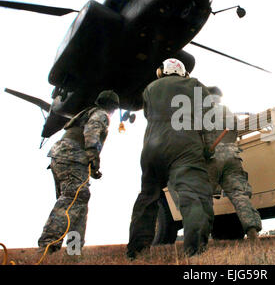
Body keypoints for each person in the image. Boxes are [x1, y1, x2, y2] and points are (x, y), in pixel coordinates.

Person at [127, 58, 214, 259]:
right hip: (184, 147)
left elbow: (148, 115)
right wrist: (208, 148)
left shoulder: (150, 88)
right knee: (193, 195)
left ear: (162, 72)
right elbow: (210, 120)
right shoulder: (196, 85)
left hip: (151, 149)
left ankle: (136, 252)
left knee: (147, 198)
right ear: (183, 72)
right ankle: (195, 251)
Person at [38, 90, 120, 253]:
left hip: (63, 156)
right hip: (72, 156)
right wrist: (93, 156)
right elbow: (92, 131)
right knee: (72, 199)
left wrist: (91, 165)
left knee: (79, 202)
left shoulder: (89, 111)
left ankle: (74, 250)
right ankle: (47, 246)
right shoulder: (100, 114)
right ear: (112, 108)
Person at [205, 86, 262, 240]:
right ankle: (252, 231)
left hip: (212, 158)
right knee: (239, 194)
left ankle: (200, 237)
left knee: (203, 197)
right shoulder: (227, 111)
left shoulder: (202, 112)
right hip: (232, 156)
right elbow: (237, 129)